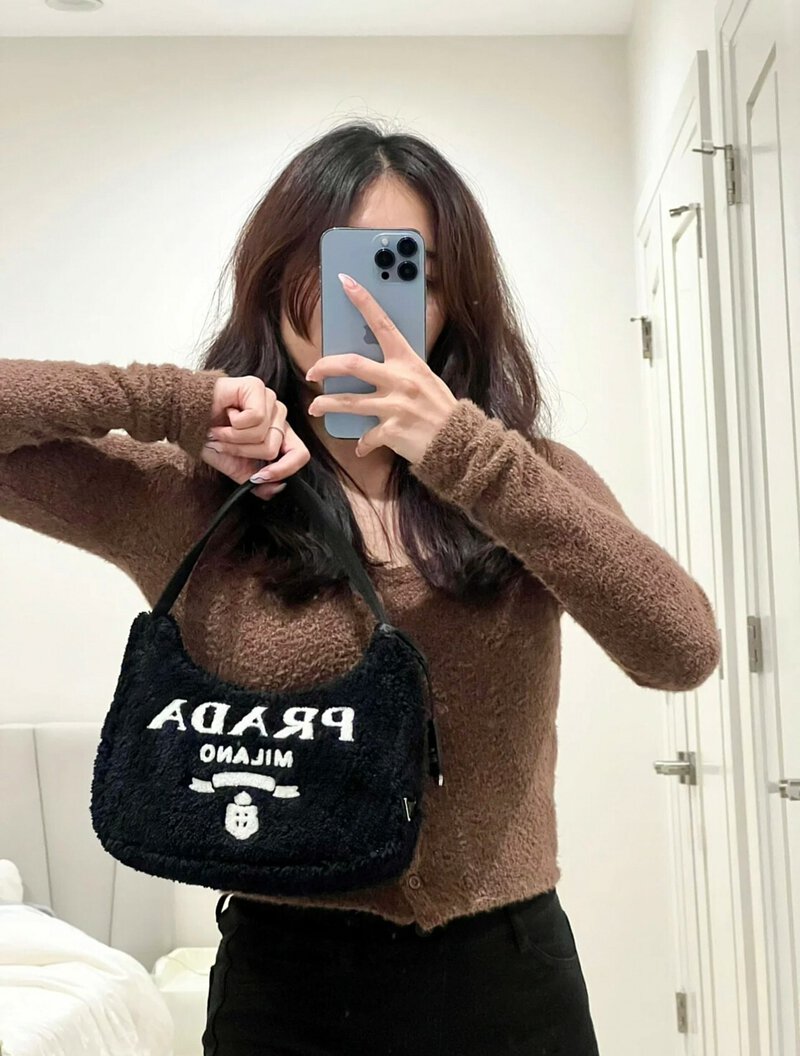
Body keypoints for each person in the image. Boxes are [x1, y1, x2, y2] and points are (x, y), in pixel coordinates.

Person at [0, 119, 721, 1056]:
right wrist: (176, 402)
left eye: (404, 268)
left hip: (508, 977)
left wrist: (465, 454)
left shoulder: (525, 476)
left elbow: (682, 650)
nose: (363, 298)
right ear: (274, 279)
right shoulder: (190, 496)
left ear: (453, 298)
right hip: (284, 985)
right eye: (330, 262)